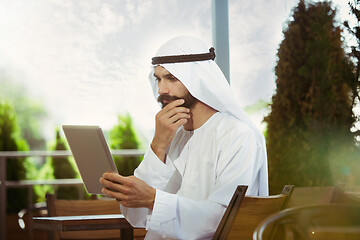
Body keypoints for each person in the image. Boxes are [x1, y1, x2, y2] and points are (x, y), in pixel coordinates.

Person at [100, 36, 268, 240]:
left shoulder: (237, 136)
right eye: (158, 79)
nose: (161, 90)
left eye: (171, 78)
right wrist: (158, 145)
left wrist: (153, 199)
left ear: (197, 80)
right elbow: (137, 217)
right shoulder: (171, 136)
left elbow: (223, 219)